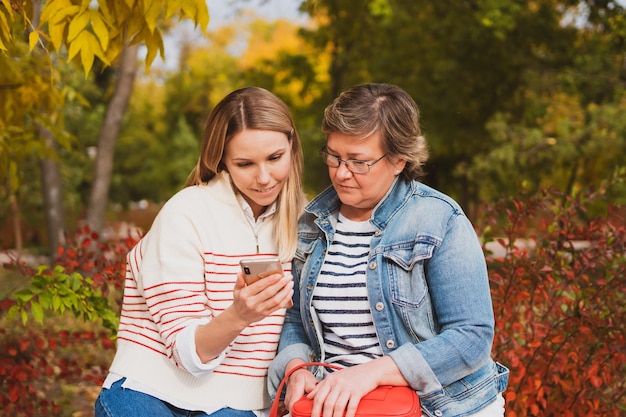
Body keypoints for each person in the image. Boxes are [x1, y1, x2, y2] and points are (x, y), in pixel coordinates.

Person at [268, 83, 509, 417]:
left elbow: (471, 337)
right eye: (334, 156)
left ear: (399, 160)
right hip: (337, 406)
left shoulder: (439, 220)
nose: (341, 172)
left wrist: (372, 373)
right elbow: (294, 316)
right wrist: (295, 368)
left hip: (437, 407)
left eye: (359, 162)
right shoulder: (310, 224)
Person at [95, 86, 306, 417]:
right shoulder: (186, 213)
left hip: (241, 402)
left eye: (275, 158)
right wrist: (238, 316)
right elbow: (185, 354)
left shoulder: (307, 224)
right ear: (220, 159)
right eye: (245, 163)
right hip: (152, 389)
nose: (264, 178)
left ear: (292, 147)